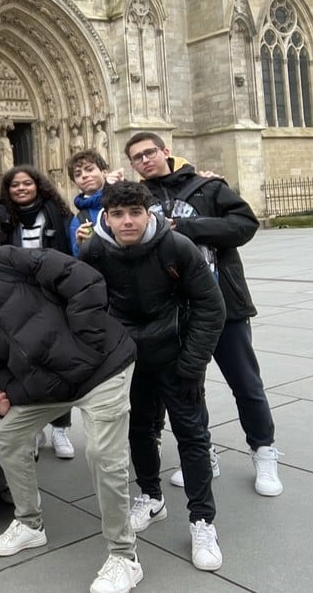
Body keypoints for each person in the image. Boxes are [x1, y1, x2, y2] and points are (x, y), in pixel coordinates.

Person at [0, 247, 143, 593]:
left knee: (103, 456)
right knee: (11, 434)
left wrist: (87, 339)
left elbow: (81, 279)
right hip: (56, 387)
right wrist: (11, 395)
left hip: (104, 368)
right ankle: (30, 523)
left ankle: (125, 556)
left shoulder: (2, 262)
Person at [79, 181, 227, 572]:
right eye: (118, 215)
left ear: (149, 214)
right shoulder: (94, 250)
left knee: (193, 436)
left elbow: (211, 306)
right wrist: (107, 356)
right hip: (130, 360)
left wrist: (193, 364)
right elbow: (82, 308)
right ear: (106, 217)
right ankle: (151, 497)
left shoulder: (177, 247)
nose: (127, 222)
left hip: (177, 356)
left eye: (134, 213)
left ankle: (202, 520)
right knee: (139, 431)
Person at [125, 132, 282, 497]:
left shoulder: (206, 187)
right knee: (188, 386)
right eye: (137, 157)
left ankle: (263, 450)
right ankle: (204, 451)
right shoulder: (140, 198)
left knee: (245, 382)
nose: (145, 160)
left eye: (150, 152)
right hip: (173, 313)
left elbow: (245, 224)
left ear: (167, 152)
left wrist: (188, 228)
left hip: (222, 305)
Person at [0, 164, 76, 458]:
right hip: (18, 302)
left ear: (38, 185)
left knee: (59, 365)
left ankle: (60, 429)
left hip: (54, 298)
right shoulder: (5, 219)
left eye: (26, 183)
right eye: (14, 185)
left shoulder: (59, 212)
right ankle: (33, 429)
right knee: (23, 366)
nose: (21, 189)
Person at [67, 149, 110, 256]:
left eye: (89, 169)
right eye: (78, 174)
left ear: (104, 172)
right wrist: (79, 245)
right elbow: (78, 259)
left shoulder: (123, 196)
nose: (84, 176)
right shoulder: (79, 220)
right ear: (75, 182)